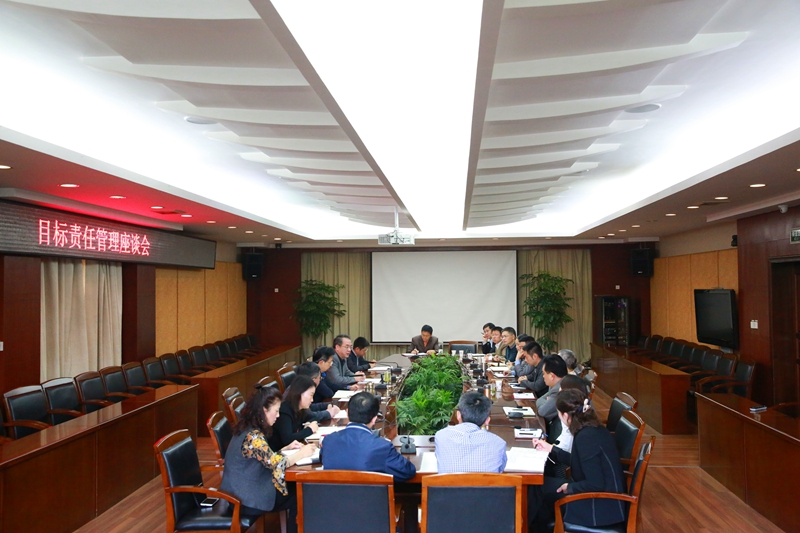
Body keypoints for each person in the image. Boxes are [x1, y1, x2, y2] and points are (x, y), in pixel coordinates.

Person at [220, 385, 317, 533]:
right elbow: (276, 463)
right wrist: (301, 453)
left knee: (297, 490)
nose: (278, 416)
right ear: (264, 410)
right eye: (276, 411)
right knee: (300, 494)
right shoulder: (253, 437)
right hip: (246, 498)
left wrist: (284, 449)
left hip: (242, 491)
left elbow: (265, 458)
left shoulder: (248, 428)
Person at [528, 389, 626, 533]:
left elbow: (595, 484)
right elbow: (581, 462)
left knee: (538, 488)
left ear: (565, 415)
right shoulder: (593, 429)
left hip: (599, 507)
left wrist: (570, 488)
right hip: (602, 498)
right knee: (539, 486)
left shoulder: (586, 437)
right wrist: (551, 449)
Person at [321, 392, 417, 481]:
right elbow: (408, 471)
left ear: (347, 412)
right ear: (374, 419)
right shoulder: (382, 447)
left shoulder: (328, 440)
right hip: (369, 494)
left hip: (333, 494)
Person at [434, 391, 507, 473]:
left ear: (458, 415)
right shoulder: (499, 443)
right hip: (485, 482)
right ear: (487, 421)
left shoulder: (441, 436)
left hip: (448, 481)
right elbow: (500, 471)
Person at [268, 376, 319, 451]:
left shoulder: (300, 409)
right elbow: (287, 439)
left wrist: (307, 424)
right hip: (279, 453)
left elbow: (313, 417)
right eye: (311, 395)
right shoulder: (284, 412)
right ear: (300, 393)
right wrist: (309, 430)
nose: (312, 400)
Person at [535, 355, 568, 421]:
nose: (543, 376)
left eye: (544, 373)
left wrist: (547, 402)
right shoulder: (562, 382)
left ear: (552, 376)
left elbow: (542, 412)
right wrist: (547, 402)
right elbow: (539, 400)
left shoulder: (558, 389)